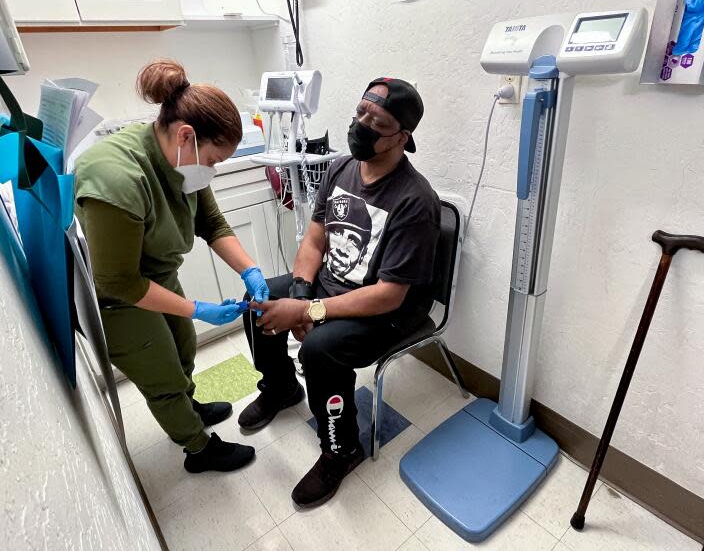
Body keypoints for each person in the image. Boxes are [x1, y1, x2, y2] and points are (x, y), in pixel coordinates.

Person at [238, 78, 440, 507]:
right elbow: (314, 241)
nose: (362, 125)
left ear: (402, 136)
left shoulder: (415, 201)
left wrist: (310, 310)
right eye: (360, 113)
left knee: (321, 350)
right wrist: (297, 292)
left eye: (377, 122)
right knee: (260, 302)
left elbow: (388, 295)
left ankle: (341, 450)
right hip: (335, 287)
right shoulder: (341, 168)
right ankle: (280, 388)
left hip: (387, 310)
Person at [75, 60, 270, 473]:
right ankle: (199, 449)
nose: (213, 170)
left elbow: (211, 222)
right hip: (117, 297)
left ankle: (189, 407)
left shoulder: (182, 163)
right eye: (214, 161)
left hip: (156, 278)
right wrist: (200, 309)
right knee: (161, 373)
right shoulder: (118, 177)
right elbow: (119, 280)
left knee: (182, 349)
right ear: (186, 135)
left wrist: (250, 270)